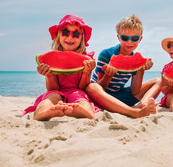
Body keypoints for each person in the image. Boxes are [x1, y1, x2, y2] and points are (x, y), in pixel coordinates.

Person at [24, 14, 156, 121]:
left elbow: (83, 88)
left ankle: (82, 111)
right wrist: (49, 75)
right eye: (65, 32)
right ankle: (43, 111)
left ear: (81, 38)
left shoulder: (87, 59)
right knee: (52, 97)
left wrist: (87, 72)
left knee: (81, 99)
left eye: (75, 34)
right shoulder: (106, 54)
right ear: (58, 36)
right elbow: (54, 89)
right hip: (77, 91)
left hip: (80, 91)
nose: (70, 37)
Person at [90, 14, 161, 108]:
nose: (129, 42)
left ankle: (142, 105)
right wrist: (108, 76)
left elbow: (134, 91)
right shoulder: (106, 54)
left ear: (140, 39)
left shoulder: (135, 59)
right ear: (118, 37)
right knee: (94, 89)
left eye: (134, 38)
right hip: (102, 95)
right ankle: (135, 108)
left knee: (158, 81)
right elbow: (99, 88)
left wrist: (141, 70)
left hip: (119, 94)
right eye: (125, 38)